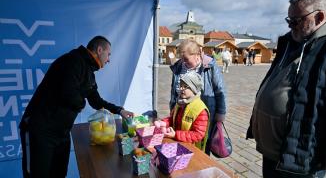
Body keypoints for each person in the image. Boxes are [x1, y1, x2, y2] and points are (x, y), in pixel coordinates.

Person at [19, 36, 134, 178]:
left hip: (62, 133)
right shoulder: (72, 61)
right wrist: (82, 103)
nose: (109, 59)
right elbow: (68, 94)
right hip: (40, 130)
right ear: (99, 50)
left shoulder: (89, 72)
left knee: (59, 174)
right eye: (108, 54)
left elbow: (96, 101)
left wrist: (119, 110)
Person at [246, 0, 326, 178]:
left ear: (320, 17)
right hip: (273, 152)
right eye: (288, 20)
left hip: (301, 159)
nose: (290, 26)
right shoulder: (289, 42)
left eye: (296, 21)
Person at [169, 39, 227, 155]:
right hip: (183, 111)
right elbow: (173, 90)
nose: (184, 62)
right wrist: (172, 108)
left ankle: (202, 163)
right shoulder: (180, 66)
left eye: (186, 59)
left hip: (203, 113)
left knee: (202, 141)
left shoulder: (209, 65)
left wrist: (221, 111)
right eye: (182, 58)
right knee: (183, 139)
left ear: (197, 55)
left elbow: (219, 89)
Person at [154, 71, 210, 150]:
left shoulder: (200, 110)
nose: (181, 89)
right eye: (180, 85)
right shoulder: (180, 102)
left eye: (185, 86)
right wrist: (164, 122)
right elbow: (172, 119)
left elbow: (198, 134)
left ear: (193, 89)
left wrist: (176, 135)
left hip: (191, 149)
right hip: (177, 144)